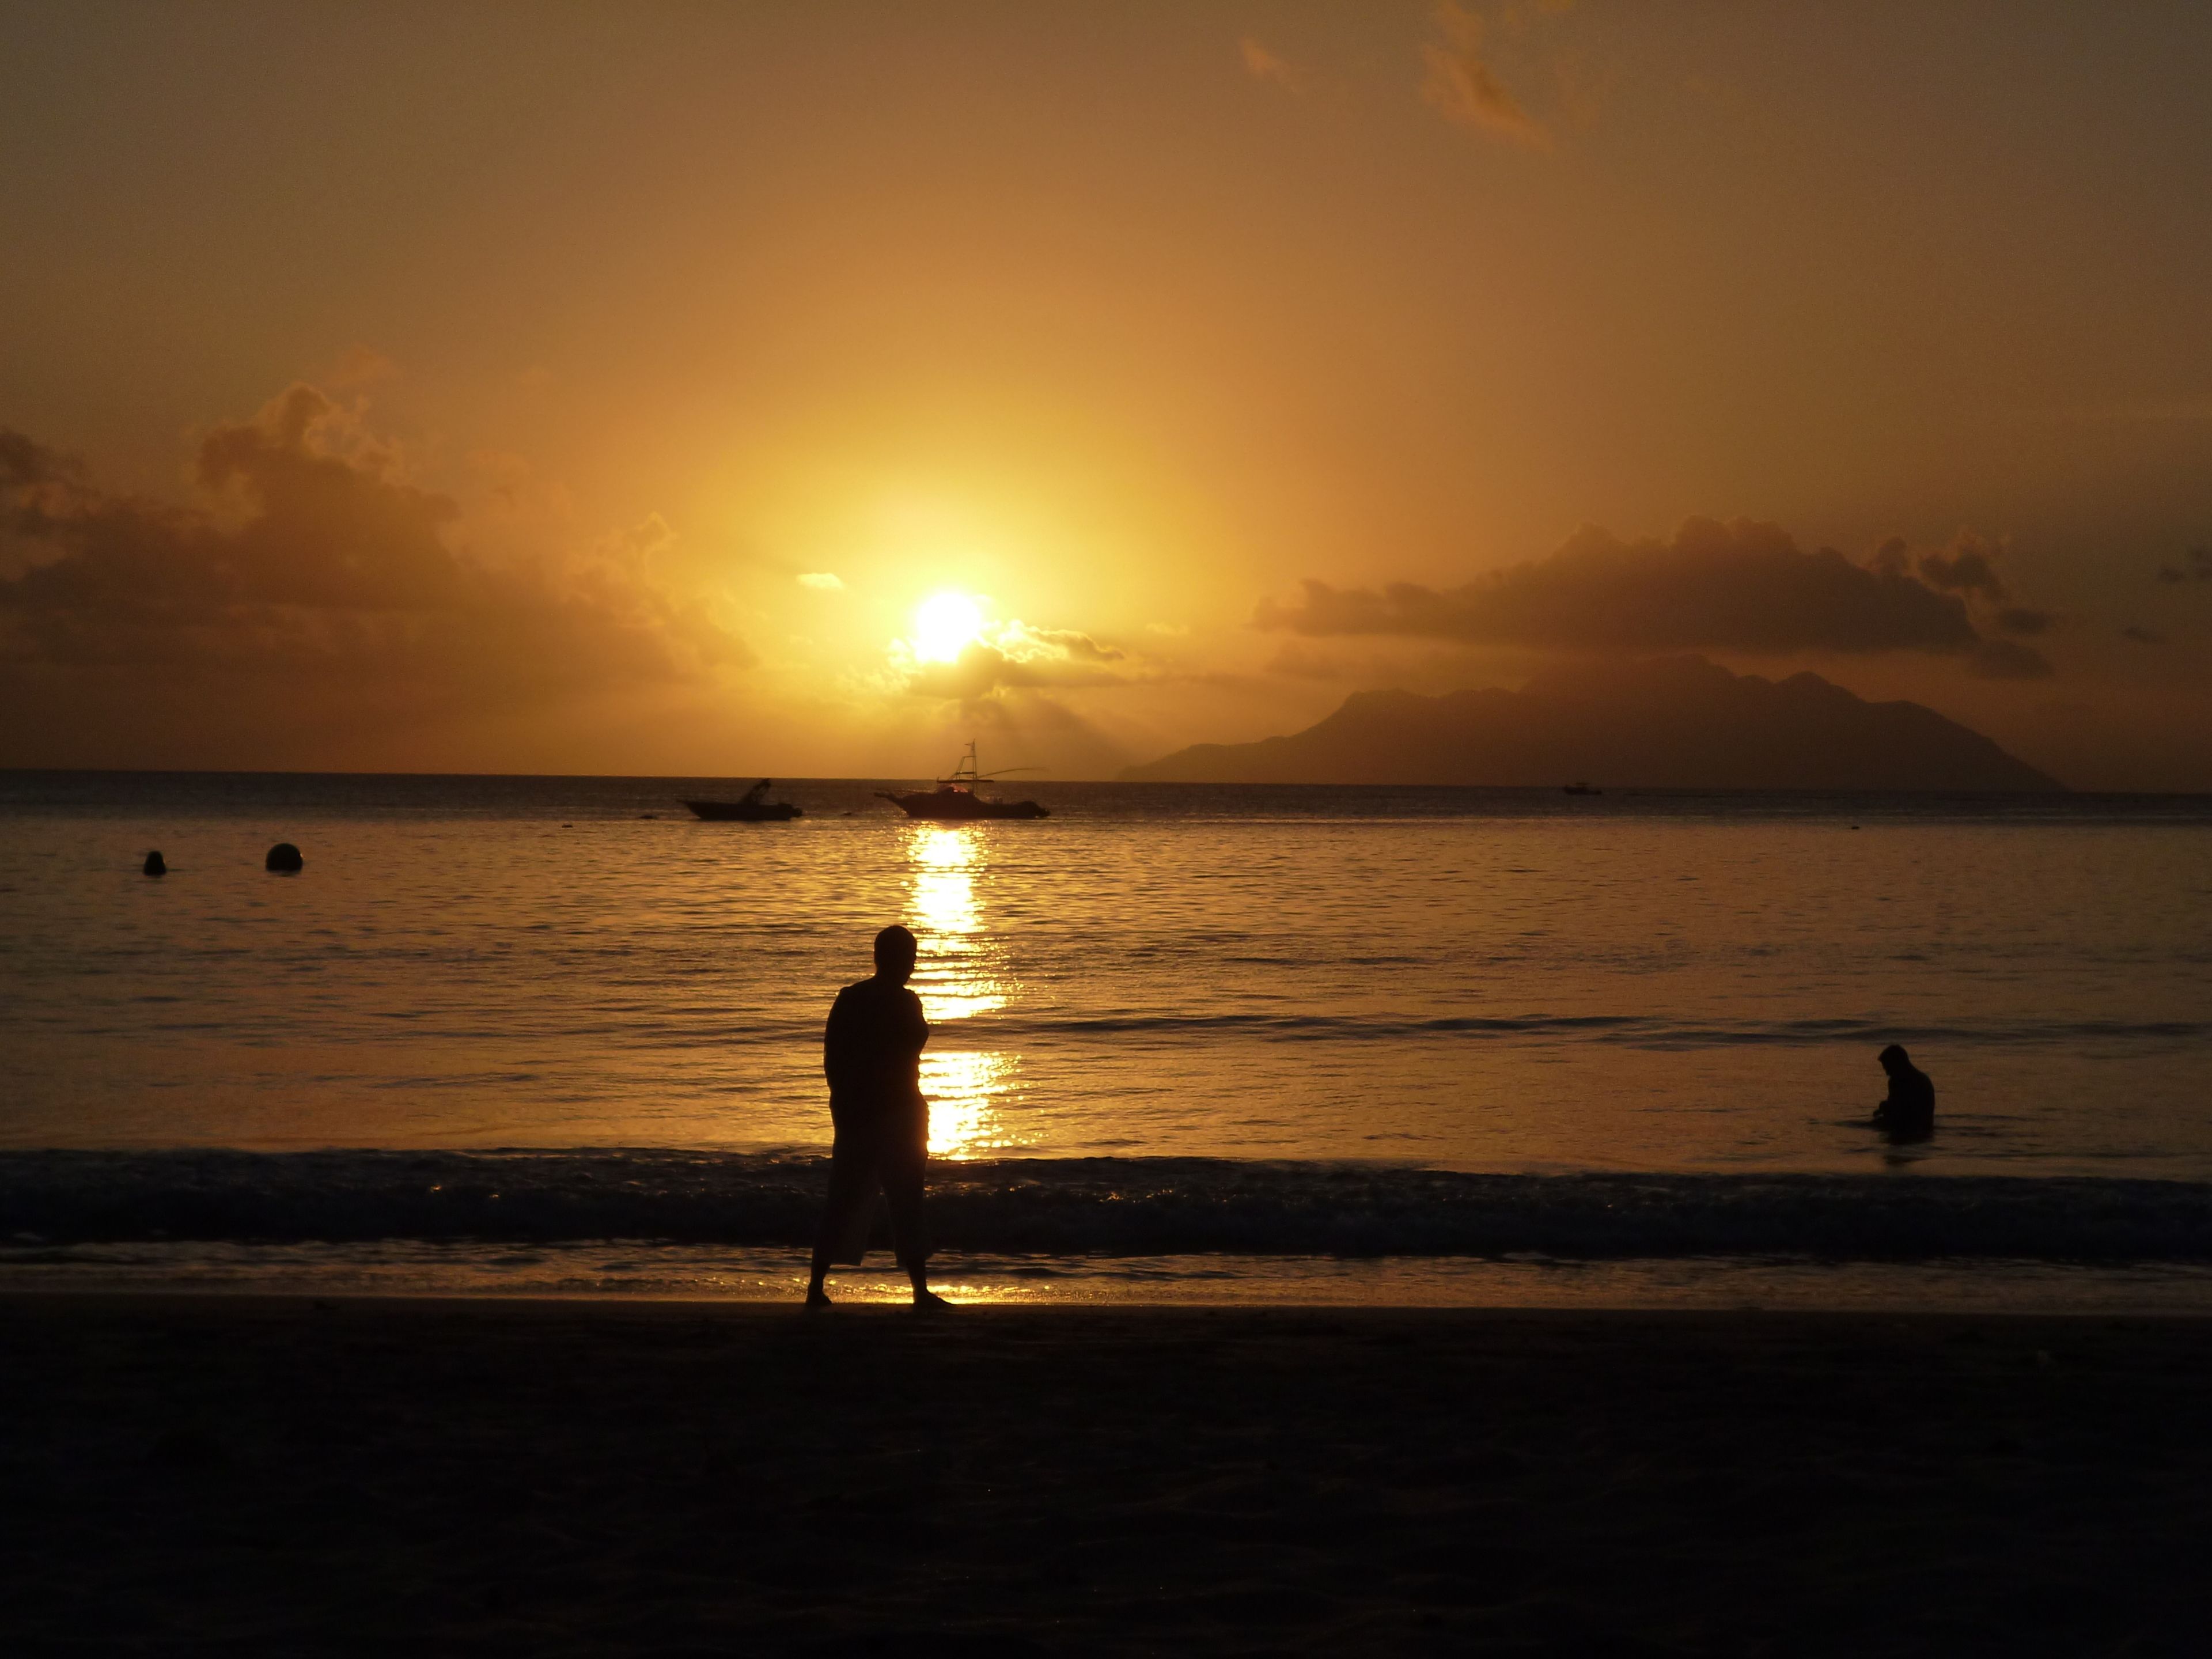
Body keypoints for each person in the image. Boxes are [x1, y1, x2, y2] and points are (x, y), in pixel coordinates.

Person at [807, 924, 949, 1308]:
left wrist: (842, 1105)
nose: (913, 965)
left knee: (873, 1198)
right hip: (883, 1112)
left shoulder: (865, 999)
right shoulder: (881, 1001)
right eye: (909, 958)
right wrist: (843, 1105)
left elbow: (834, 1059)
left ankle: (819, 1285)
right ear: (889, 958)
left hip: (885, 1110)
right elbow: (838, 1059)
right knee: (889, 1199)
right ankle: (915, 1291)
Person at [1873, 1043, 1935, 1141]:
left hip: (1908, 1127)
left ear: (1896, 1063)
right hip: (1925, 1128)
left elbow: (1901, 1110)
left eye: (1887, 1068)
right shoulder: (1923, 1079)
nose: (1887, 1073)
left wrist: (1884, 1107)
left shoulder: (1898, 1081)